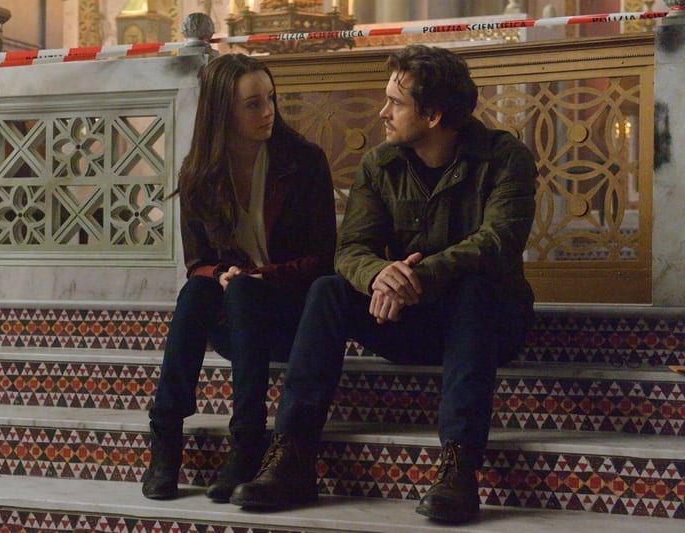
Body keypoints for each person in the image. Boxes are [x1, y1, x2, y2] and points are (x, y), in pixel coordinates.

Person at [230, 44, 537, 525]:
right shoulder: (380, 164)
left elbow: (499, 241)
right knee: (328, 290)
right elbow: (351, 248)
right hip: (408, 320)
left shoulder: (504, 157)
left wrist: (418, 275)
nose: (382, 112)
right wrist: (378, 274)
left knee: (474, 287)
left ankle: (459, 468)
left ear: (433, 115)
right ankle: (291, 455)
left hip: (489, 326)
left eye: (395, 102)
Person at [140, 53, 336, 503]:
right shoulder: (200, 173)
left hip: (293, 318)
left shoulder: (303, 161)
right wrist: (224, 276)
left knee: (244, 289)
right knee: (197, 291)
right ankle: (166, 438)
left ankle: (248, 441)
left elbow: (324, 260)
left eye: (271, 99)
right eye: (253, 104)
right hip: (236, 319)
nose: (268, 111)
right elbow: (197, 262)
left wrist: (257, 276)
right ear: (222, 112)